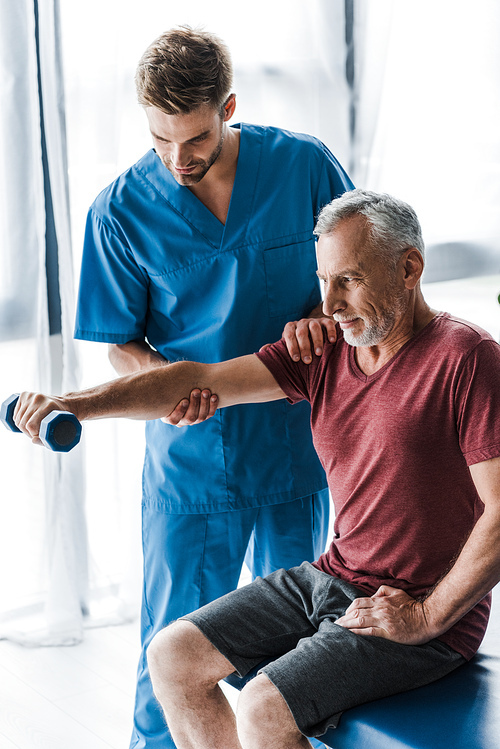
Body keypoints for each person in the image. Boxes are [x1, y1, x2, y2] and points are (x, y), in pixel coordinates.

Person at [15, 189, 500, 748]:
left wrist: (427, 617)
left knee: (264, 706)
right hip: (334, 575)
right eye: (324, 280)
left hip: (415, 605)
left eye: (350, 280)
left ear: (409, 267)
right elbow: (198, 379)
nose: (331, 303)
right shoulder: (326, 353)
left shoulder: (466, 358)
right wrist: (74, 404)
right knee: (171, 657)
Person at [73, 25, 353, 749]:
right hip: (194, 460)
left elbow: (354, 272)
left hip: (298, 443)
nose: (177, 158)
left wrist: (320, 318)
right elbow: (117, 341)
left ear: (228, 106)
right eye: (160, 139)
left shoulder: (304, 166)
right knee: (169, 648)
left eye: (193, 138)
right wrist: (160, 385)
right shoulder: (119, 211)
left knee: (305, 649)